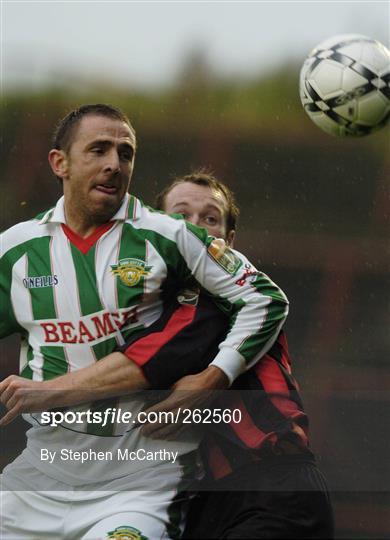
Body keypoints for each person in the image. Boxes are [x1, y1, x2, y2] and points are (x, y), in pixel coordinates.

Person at [0, 104, 288, 540]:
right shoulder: (15, 250)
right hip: (39, 476)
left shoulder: (170, 235)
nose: (114, 164)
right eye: (98, 150)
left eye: (126, 153)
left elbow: (264, 298)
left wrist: (212, 379)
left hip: (140, 480)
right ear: (60, 163)